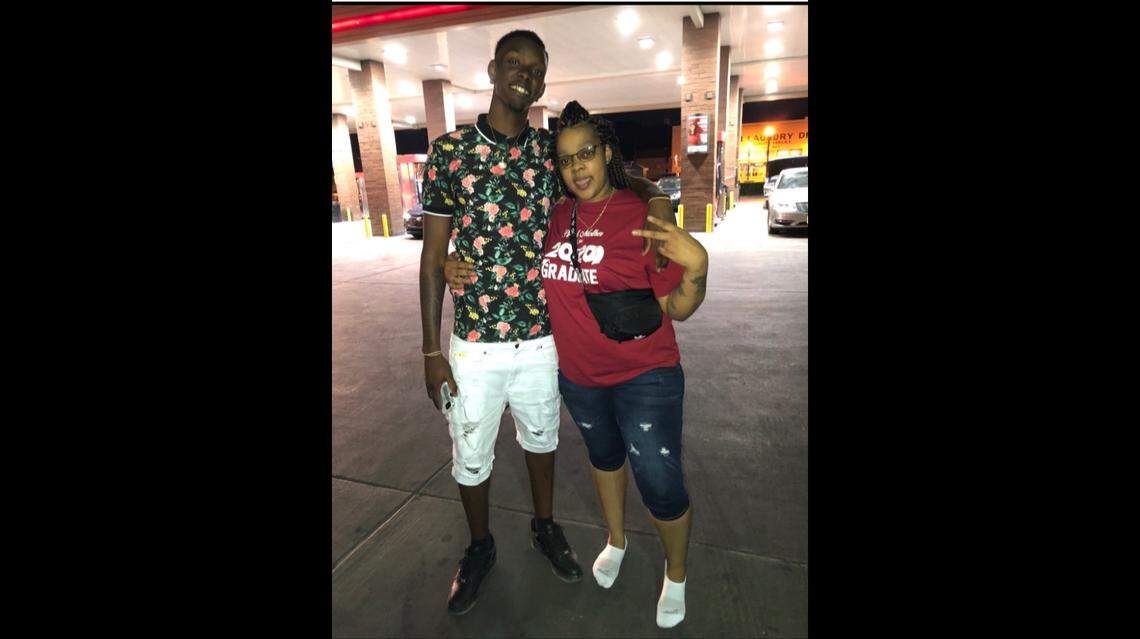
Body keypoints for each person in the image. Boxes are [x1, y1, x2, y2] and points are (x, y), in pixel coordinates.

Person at [418, 30, 673, 617]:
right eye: (514, 63)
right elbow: (433, 258)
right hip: (474, 344)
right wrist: (431, 351)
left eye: (536, 69)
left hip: (539, 340)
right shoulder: (451, 152)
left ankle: (545, 526)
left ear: (542, 81)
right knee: (471, 453)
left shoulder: (547, 151)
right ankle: (480, 548)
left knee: (542, 441)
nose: (524, 75)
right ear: (491, 68)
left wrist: (655, 197)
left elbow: (614, 176)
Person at [445, 101, 709, 628]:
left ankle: (676, 571)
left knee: (659, 479)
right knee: (606, 461)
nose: (577, 167)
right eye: (566, 160)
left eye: (587, 153)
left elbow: (676, 307)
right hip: (581, 379)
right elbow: (505, 248)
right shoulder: (558, 214)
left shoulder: (639, 217)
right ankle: (616, 540)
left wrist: (698, 266)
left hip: (645, 374)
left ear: (607, 153)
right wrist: (455, 261)